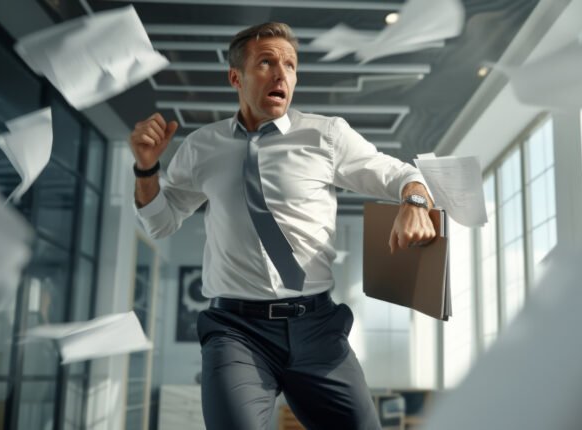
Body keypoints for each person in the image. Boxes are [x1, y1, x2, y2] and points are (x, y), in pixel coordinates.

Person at [130, 22, 436, 430]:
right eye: (267, 62)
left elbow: (401, 175)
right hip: (238, 332)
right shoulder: (201, 147)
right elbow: (160, 224)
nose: (281, 74)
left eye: (290, 65)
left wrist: (414, 201)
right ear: (236, 77)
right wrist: (146, 169)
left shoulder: (326, 135)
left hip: (318, 328)